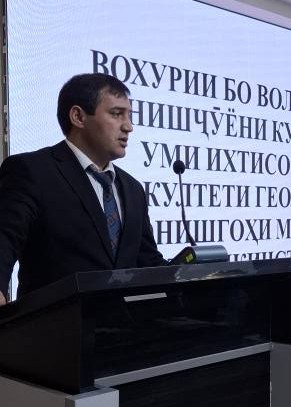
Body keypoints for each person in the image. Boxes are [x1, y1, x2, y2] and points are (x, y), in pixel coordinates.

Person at [0, 73, 167, 305]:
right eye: (116, 114)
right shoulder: (32, 171)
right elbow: (4, 240)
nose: (129, 127)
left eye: (129, 116)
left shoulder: (133, 189)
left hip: (126, 325)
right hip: (55, 324)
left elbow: (149, 263)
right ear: (78, 116)